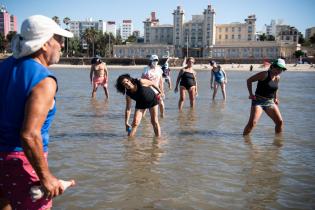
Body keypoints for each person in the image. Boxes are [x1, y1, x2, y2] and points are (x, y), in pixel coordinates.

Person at [0, 15, 75, 210]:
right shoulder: (43, 79)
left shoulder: (4, 67)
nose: (62, 46)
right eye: (59, 40)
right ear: (44, 43)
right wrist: (47, 178)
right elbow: (29, 135)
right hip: (19, 160)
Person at [243, 58, 287, 136]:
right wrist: (251, 94)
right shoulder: (264, 74)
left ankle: (277, 141)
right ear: (272, 67)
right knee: (252, 123)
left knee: (279, 122)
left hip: (270, 102)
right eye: (277, 68)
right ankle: (244, 139)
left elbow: (276, 88)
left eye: (281, 69)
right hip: (258, 102)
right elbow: (249, 80)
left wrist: (275, 98)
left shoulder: (277, 77)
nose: (279, 71)